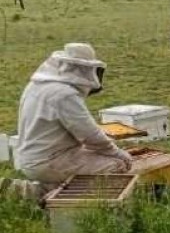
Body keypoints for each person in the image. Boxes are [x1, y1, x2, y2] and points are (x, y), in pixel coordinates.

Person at [15, 43, 132, 189]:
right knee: (115, 165)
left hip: (32, 158)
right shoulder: (63, 94)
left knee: (90, 157)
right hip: (49, 160)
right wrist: (118, 153)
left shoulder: (36, 85)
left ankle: (39, 189)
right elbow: (89, 135)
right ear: (83, 69)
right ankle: (50, 198)